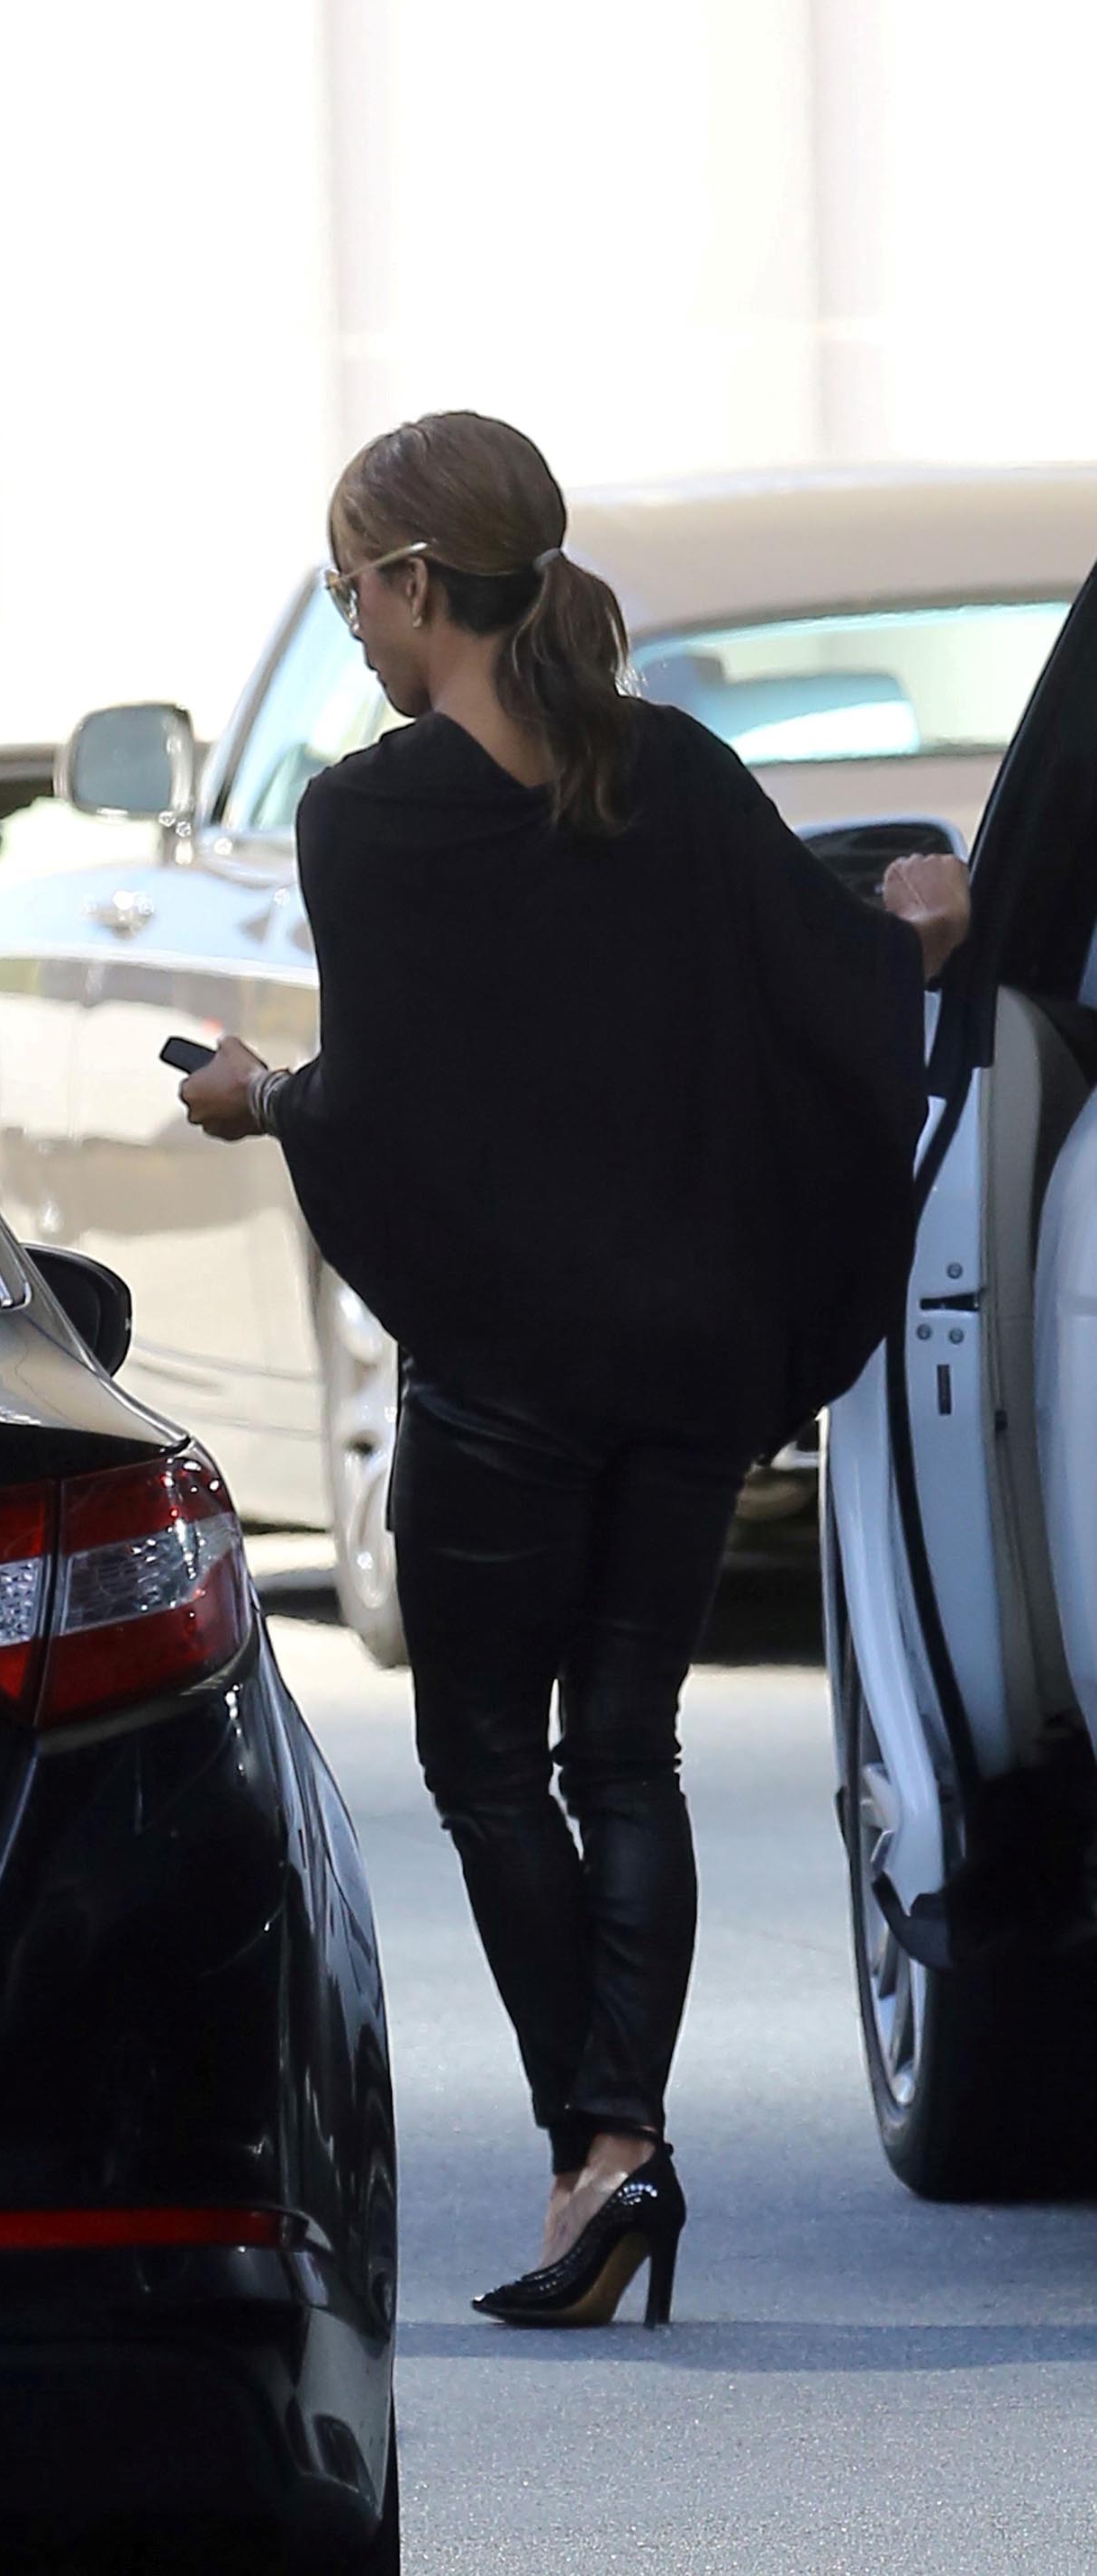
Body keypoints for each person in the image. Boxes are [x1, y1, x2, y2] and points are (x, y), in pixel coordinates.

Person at [179, 412, 969, 2330]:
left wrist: (254, 1098)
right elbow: (836, 979)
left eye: (358, 587)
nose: (357, 627)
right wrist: (922, 919)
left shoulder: (369, 819)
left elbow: (391, 1112)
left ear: (418, 587)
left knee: (480, 1761)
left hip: (509, 1381)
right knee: (627, 1751)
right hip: (694, 1364)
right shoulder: (676, 778)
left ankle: (599, 2154)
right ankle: (617, 2147)